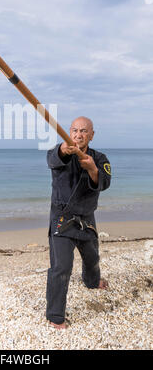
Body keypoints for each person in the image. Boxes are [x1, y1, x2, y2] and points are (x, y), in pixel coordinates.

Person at [46, 116, 111, 329]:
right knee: (61, 267)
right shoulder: (61, 151)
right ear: (69, 133)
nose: (78, 135)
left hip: (86, 219)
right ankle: (55, 316)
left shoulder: (99, 158)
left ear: (91, 135)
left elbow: (104, 183)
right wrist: (64, 149)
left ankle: (92, 282)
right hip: (62, 219)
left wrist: (92, 169)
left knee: (92, 258)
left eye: (84, 131)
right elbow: (52, 159)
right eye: (74, 130)